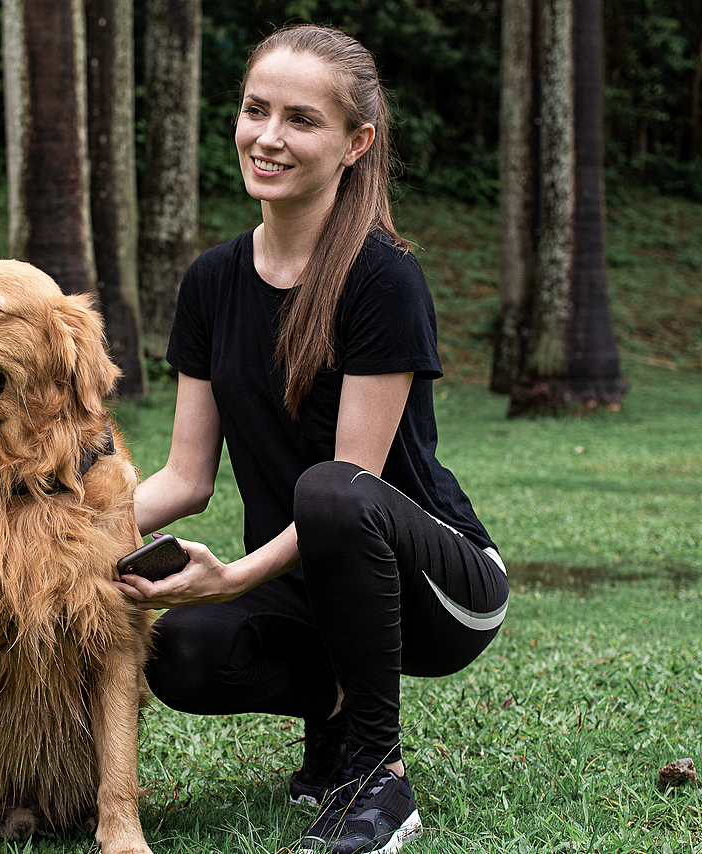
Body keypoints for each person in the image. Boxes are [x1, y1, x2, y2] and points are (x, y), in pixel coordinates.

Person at [114, 24, 510, 854]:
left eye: (301, 120)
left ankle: (378, 777)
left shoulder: (382, 276)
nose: (268, 137)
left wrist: (237, 576)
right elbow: (186, 477)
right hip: (310, 588)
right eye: (256, 110)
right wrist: (61, 534)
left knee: (330, 488)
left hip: (441, 590)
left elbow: (354, 483)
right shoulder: (212, 280)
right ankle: (332, 712)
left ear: (355, 143)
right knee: (175, 648)